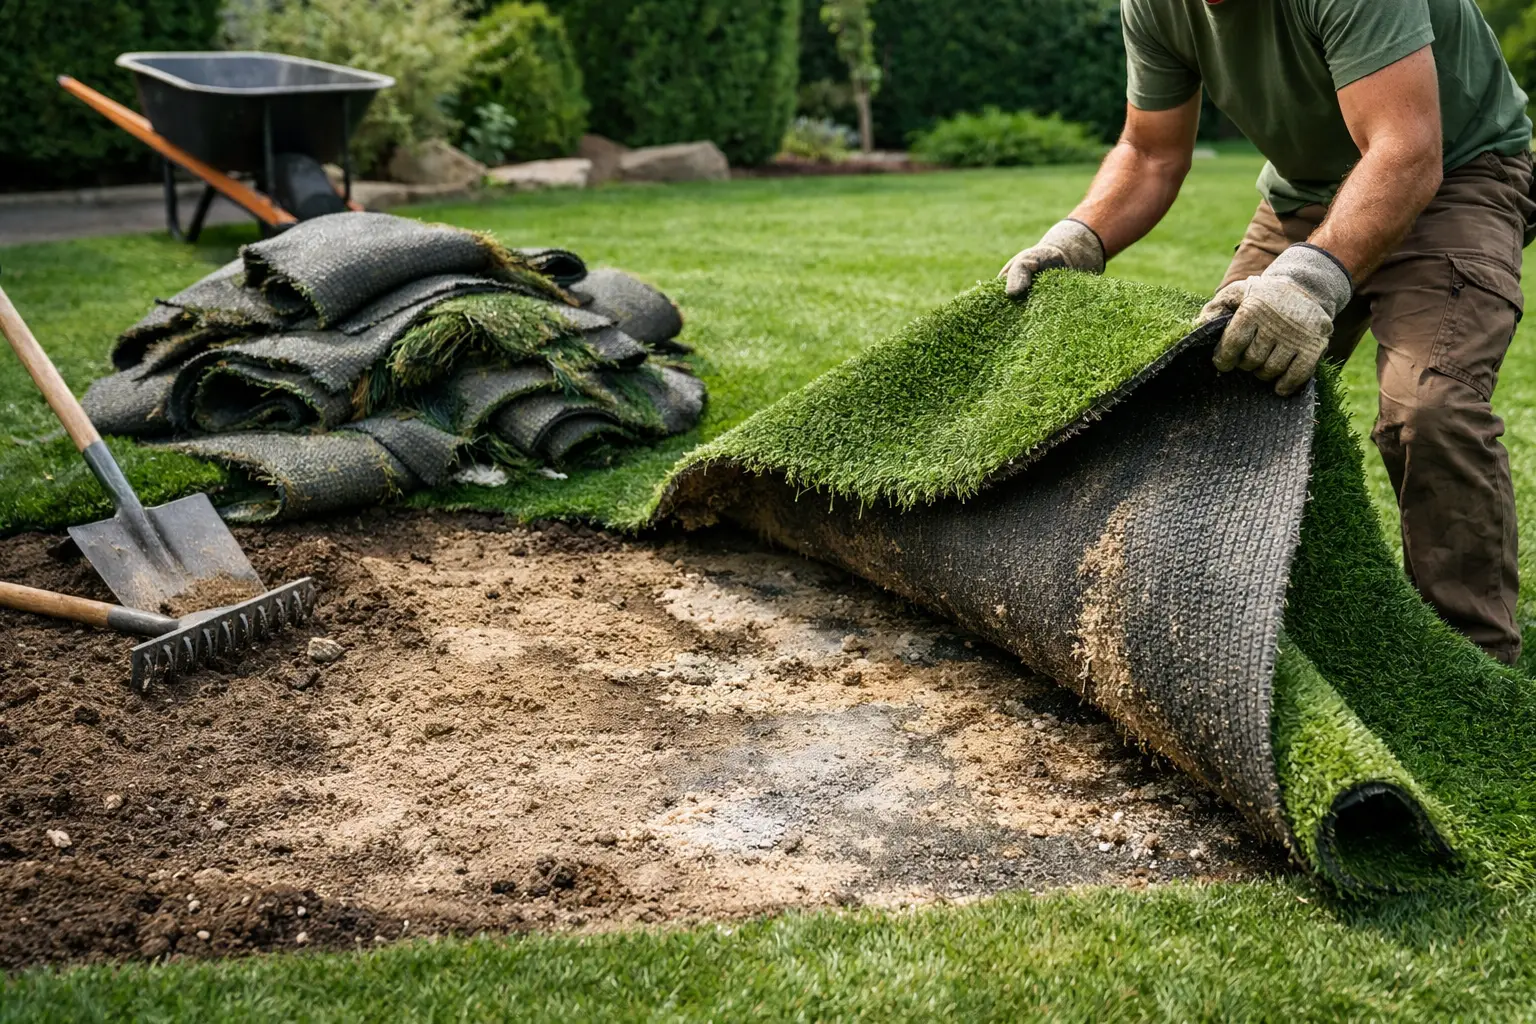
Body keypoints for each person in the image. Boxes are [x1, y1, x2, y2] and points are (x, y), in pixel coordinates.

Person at [1001, 0, 1535, 665]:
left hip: (1459, 173)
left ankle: (1470, 661)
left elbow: (1406, 151)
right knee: (1213, 388)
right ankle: (1242, 618)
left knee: (1430, 410)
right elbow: (1149, 152)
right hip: (1305, 193)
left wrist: (1308, 282)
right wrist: (1077, 239)